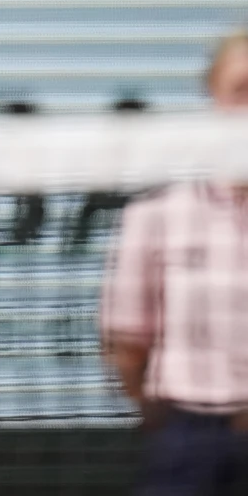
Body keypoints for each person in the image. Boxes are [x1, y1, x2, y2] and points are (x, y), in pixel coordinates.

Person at [101, 28, 248, 496]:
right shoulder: (157, 214)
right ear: (213, 95)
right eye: (241, 89)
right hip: (189, 440)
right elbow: (126, 342)